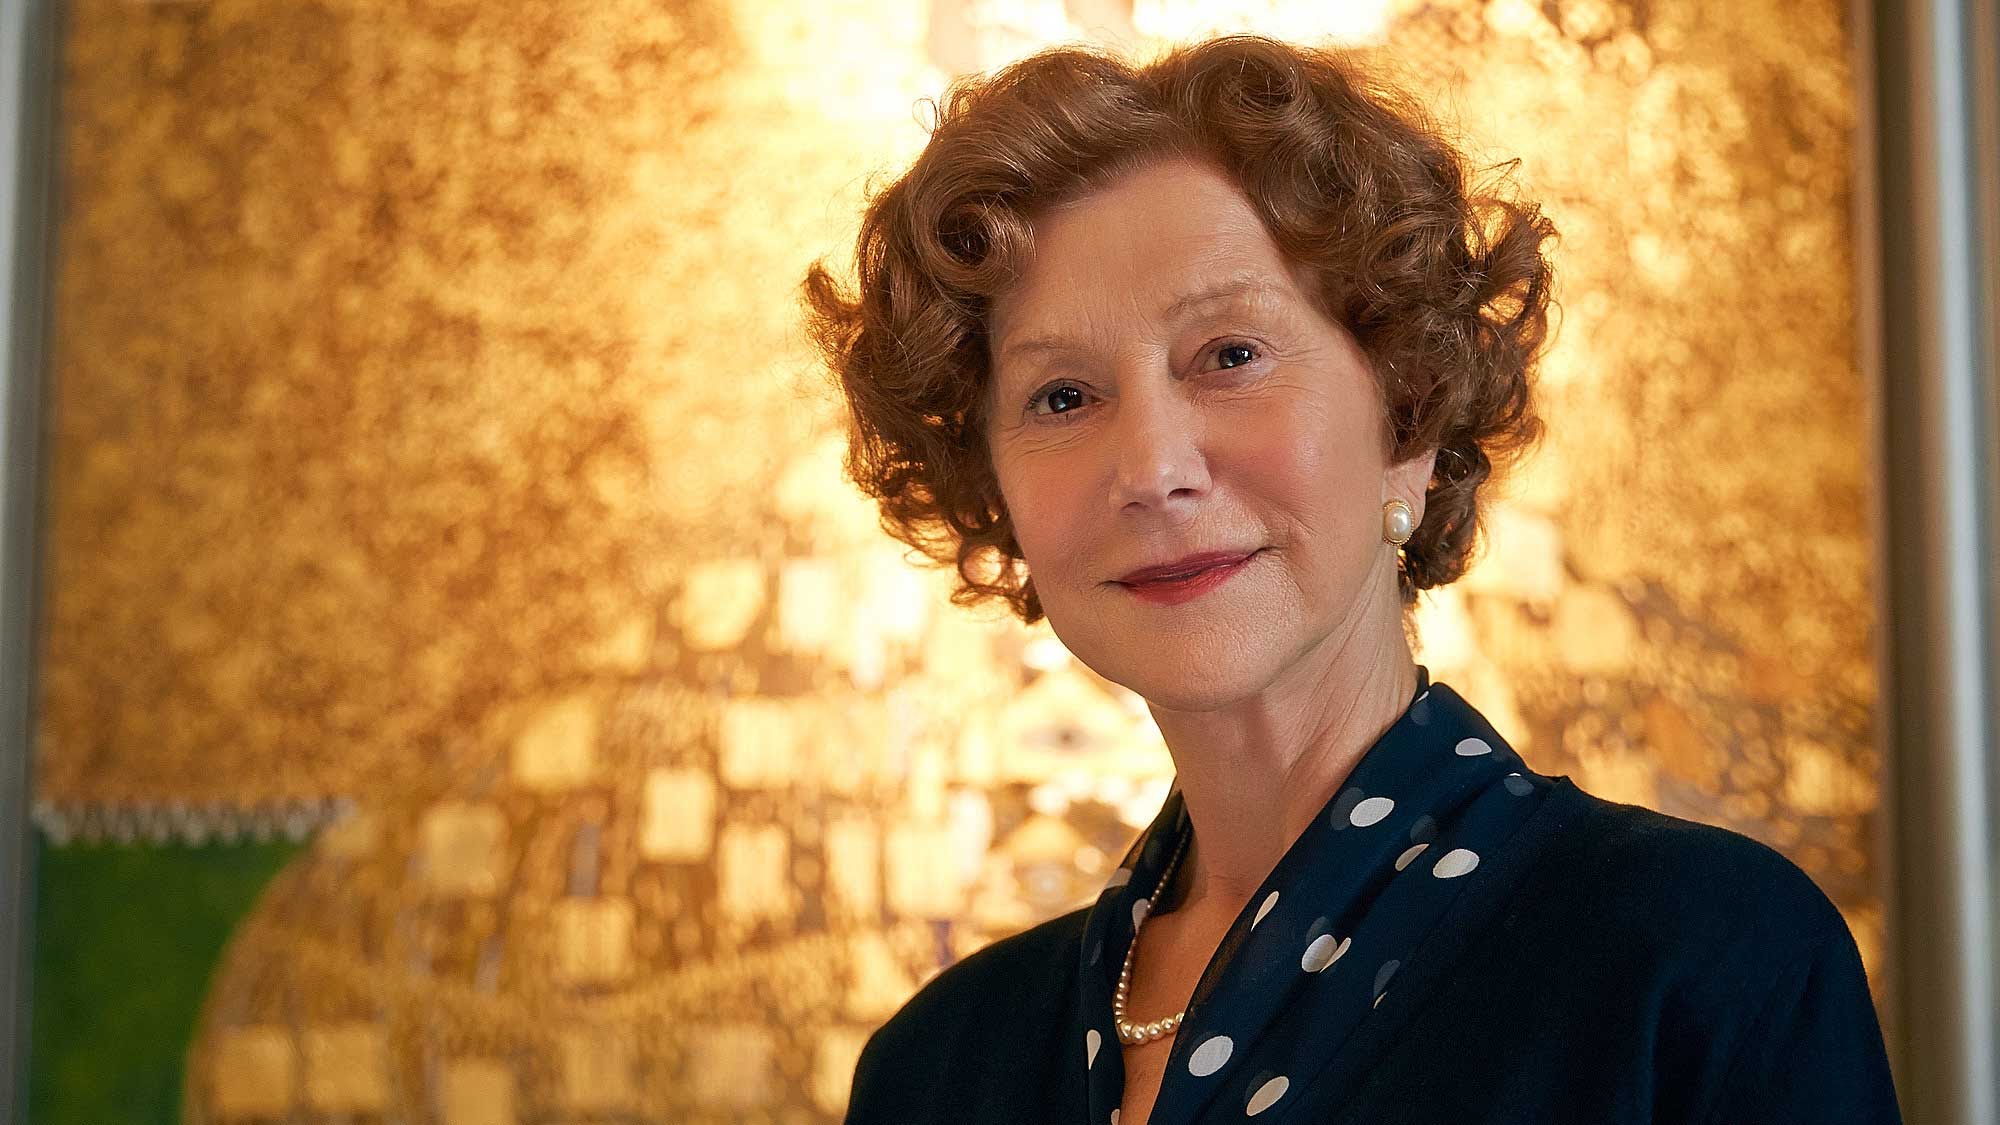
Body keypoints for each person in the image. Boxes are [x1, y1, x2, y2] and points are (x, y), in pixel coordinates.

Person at [800, 33, 1902, 1125]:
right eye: (1062, 397)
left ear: (1407, 422)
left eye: (1229, 355)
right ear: (995, 493)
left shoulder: (1698, 957)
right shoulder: (937, 1065)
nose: (1151, 468)